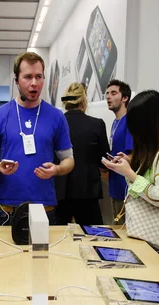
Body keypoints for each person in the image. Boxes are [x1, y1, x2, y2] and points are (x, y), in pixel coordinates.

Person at [0, 51, 74, 225]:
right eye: (28, 77)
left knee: (44, 254)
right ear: (16, 79)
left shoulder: (56, 116)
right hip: (7, 209)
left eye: (39, 77)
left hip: (44, 208)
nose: (34, 83)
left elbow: (69, 160)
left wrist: (57, 170)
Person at [102, 90, 159, 266]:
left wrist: (130, 174)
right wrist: (129, 163)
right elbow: (152, 178)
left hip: (158, 240)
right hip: (146, 237)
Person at [55, 82, 109, 225]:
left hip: (60, 190)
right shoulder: (96, 124)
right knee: (93, 236)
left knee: (58, 238)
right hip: (87, 190)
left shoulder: (56, 124)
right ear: (84, 100)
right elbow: (103, 159)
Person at [105, 79, 133, 224]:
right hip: (115, 185)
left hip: (126, 188)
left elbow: (133, 155)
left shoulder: (129, 121)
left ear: (125, 98)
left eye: (113, 93)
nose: (108, 97)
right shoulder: (116, 122)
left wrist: (123, 159)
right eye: (107, 93)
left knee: (123, 230)